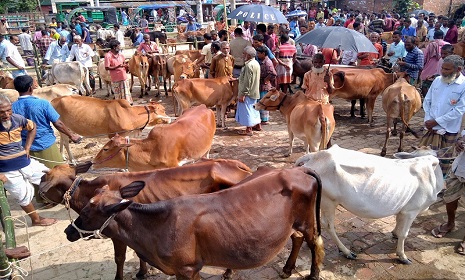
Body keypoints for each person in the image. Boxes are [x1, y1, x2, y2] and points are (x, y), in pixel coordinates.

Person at [12, 75, 81, 201]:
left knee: (34, 174)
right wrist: (72, 135)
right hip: (46, 143)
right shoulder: (42, 103)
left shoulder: (12, 107)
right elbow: (58, 123)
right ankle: (63, 196)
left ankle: (43, 198)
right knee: (58, 171)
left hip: (25, 147)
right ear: (30, 88)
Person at [0, 94, 57, 226]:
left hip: (25, 162)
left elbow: (32, 127)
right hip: (6, 169)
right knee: (22, 195)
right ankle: (36, 220)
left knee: (50, 175)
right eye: (2, 112)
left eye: (9, 110)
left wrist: (27, 147)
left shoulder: (18, 119)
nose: (6, 114)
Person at [420, 55, 465, 176]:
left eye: (447, 69)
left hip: (449, 129)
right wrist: (429, 120)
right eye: (442, 68)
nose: (443, 72)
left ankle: (438, 187)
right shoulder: (437, 80)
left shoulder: (463, 85)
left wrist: (437, 122)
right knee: (424, 158)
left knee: (443, 160)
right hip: (430, 127)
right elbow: (427, 101)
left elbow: (459, 110)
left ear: (458, 69)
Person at [430, 129, 465, 255]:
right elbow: (463, 136)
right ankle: (450, 224)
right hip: (459, 168)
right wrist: (460, 142)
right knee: (449, 198)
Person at [235, 46, 261, 136]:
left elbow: (247, 82)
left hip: (248, 93)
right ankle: (257, 125)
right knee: (253, 109)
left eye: (244, 53)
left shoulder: (248, 65)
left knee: (247, 111)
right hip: (254, 91)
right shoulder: (256, 63)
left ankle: (248, 129)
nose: (243, 55)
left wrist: (242, 94)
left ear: (248, 55)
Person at [420, 30, 448, 97]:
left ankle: (427, 98)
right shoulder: (447, 45)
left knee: (425, 85)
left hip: (430, 68)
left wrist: (423, 66)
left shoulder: (430, 45)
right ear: (442, 36)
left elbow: (425, 56)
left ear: (434, 36)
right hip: (443, 67)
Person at [105, 40, 133, 104]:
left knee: (126, 93)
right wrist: (117, 67)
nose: (120, 47)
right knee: (118, 94)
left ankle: (128, 104)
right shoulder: (108, 56)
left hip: (124, 77)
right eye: (119, 46)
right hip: (116, 78)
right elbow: (107, 67)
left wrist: (126, 66)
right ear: (114, 47)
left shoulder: (121, 55)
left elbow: (124, 64)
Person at [256, 45, 276, 125]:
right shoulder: (263, 61)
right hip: (261, 84)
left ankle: (264, 120)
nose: (257, 55)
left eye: (258, 53)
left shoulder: (267, 62)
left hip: (264, 86)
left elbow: (273, 73)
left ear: (263, 53)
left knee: (263, 102)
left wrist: (266, 80)